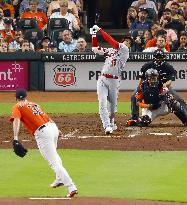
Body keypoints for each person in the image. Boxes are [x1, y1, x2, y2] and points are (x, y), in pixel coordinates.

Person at [10, 89, 78, 198]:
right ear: (26, 97)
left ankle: (71, 186)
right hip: (52, 127)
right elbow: (46, 117)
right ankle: (59, 179)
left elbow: (16, 120)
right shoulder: (34, 104)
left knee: (53, 162)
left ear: (16, 98)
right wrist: (57, 129)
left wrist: (15, 138)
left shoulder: (17, 106)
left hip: (43, 133)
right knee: (54, 155)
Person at [127, 49, 187, 125]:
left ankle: (185, 118)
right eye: (157, 57)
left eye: (160, 57)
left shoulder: (168, 67)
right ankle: (134, 118)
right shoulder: (147, 66)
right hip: (147, 88)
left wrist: (163, 87)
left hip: (162, 86)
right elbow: (142, 79)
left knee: (176, 100)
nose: (159, 59)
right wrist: (140, 88)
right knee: (134, 96)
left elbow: (170, 81)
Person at [91, 25, 132, 134]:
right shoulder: (111, 50)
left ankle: (112, 121)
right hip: (103, 78)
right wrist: (94, 35)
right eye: (126, 41)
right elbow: (95, 49)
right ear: (122, 41)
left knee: (113, 107)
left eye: (129, 43)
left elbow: (110, 40)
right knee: (102, 102)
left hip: (114, 81)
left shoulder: (125, 50)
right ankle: (107, 126)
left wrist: (100, 30)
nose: (127, 43)